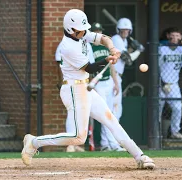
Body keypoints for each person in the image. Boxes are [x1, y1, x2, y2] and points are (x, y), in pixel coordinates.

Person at [21, 9, 155, 170]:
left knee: (111, 120)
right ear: (70, 29)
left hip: (85, 87)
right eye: (80, 30)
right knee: (78, 138)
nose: (84, 32)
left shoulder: (81, 33)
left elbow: (103, 38)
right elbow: (89, 68)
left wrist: (112, 49)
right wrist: (107, 59)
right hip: (73, 90)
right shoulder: (68, 46)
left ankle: (140, 156)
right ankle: (34, 142)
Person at [89, 22, 124, 151]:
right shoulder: (89, 48)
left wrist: (115, 82)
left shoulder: (106, 48)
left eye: (99, 31)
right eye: (95, 31)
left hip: (108, 81)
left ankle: (108, 144)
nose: (98, 34)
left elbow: (112, 66)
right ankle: (109, 144)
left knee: (110, 113)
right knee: (105, 113)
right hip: (97, 83)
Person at [159, 27, 182, 139]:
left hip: (174, 84)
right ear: (168, 36)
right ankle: (156, 133)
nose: (175, 38)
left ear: (180, 37)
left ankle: (175, 131)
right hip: (160, 83)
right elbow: (155, 68)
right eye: (173, 35)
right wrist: (162, 83)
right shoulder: (161, 49)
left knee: (177, 107)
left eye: (177, 35)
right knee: (157, 109)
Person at [55, 42, 91, 152]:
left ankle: (76, 144)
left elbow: (91, 65)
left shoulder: (86, 45)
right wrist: (62, 81)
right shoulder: (64, 45)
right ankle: (71, 144)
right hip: (71, 83)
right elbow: (59, 64)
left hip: (83, 83)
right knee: (72, 113)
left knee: (82, 114)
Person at [111, 18, 144, 122]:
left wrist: (132, 48)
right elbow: (127, 59)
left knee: (116, 107)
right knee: (115, 107)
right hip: (112, 77)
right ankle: (110, 137)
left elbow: (125, 54)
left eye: (127, 30)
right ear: (118, 30)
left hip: (117, 76)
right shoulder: (116, 39)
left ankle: (112, 137)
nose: (125, 32)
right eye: (122, 30)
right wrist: (138, 50)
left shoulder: (123, 41)